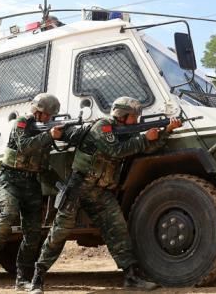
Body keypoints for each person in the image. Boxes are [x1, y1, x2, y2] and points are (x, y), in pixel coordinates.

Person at [29, 97, 182, 293]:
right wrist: (145, 138)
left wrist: (166, 132)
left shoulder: (125, 132)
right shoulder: (103, 126)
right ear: (122, 115)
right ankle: (37, 277)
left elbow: (145, 146)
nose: (136, 120)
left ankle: (131, 276)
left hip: (99, 190)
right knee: (59, 233)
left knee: (118, 229)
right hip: (78, 186)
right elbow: (115, 150)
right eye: (134, 117)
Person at [0, 93, 63, 290]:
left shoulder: (44, 132)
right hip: (10, 180)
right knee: (8, 215)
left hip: (31, 183)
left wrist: (60, 186)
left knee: (33, 233)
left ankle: (23, 277)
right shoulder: (22, 123)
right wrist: (49, 135)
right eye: (47, 115)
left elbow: (44, 168)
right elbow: (24, 146)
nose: (49, 119)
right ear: (38, 112)